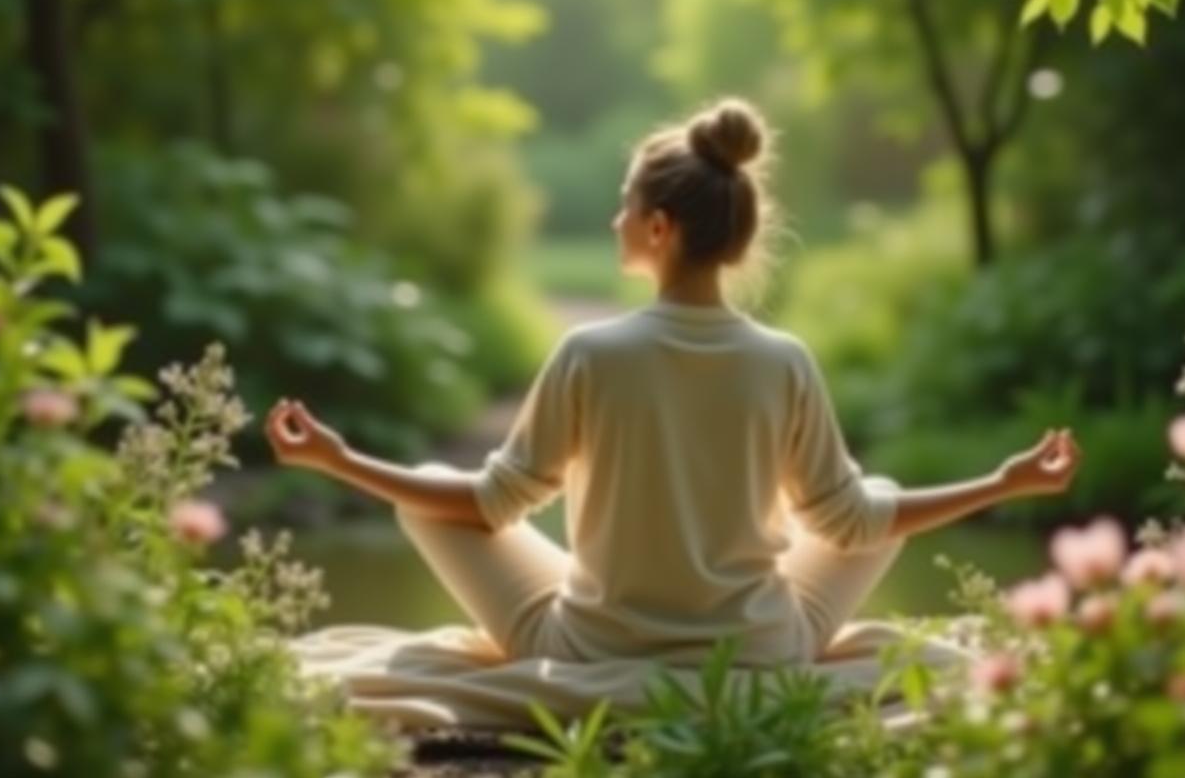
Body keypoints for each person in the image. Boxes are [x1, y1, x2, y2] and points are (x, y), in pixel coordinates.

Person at [264, 96, 1081, 668]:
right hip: (759, 649)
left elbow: (487, 505)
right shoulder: (786, 360)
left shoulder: (589, 352)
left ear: (658, 228)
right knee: (881, 501)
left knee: (434, 490)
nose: (616, 220)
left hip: (593, 646)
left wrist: (340, 461)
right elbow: (853, 524)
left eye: (625, 206)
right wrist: (1003, 482)